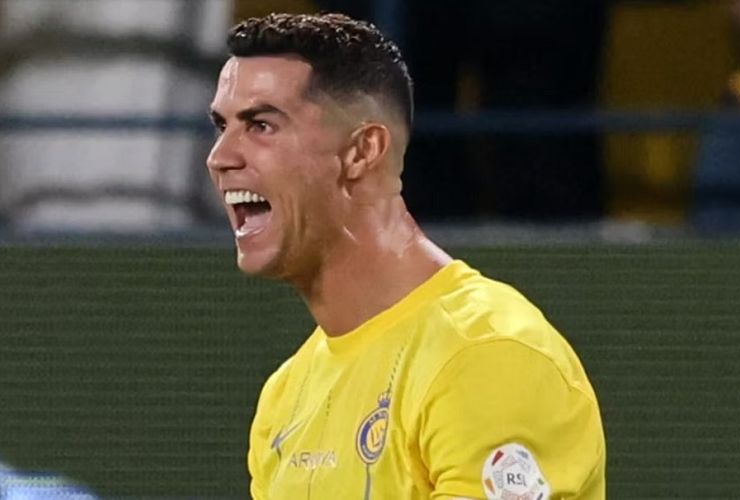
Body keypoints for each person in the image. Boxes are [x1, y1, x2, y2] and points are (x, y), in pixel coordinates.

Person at [206, 12, 605, 499]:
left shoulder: (486, 356)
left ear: (362, 151)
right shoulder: (285, 396)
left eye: (261, 125)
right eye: (221, 126)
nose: (220, 156)